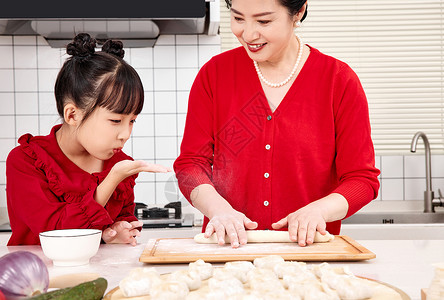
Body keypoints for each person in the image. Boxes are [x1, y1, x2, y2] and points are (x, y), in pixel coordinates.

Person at [174, 0, 380, 248]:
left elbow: (361, 179)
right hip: (228, 252)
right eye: (238, 18)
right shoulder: (214, 75)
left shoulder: (338, 81)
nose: (248, 34)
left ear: (299, 11)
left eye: (263, 21)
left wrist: (320, 211)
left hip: (309, 255)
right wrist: (218, 209)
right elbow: (190, 165)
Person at [6, 33, 171, 246]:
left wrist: (118, 232)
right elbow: (54, 233)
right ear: (72, 115)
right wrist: (112, 179)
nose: (126, 134)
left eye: (132, 121)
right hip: (36, 276)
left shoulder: (119, 162)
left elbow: (118, 223)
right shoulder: (26, 160)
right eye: (115, 120)